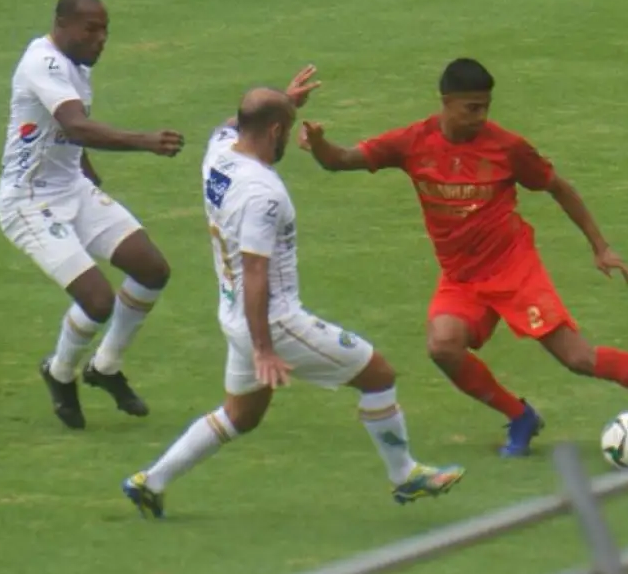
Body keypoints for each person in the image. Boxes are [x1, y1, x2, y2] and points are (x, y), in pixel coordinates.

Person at [299, 58, 628, 457]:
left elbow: (559, 187)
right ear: (446, 103)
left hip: (513, 268)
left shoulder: (506, 148)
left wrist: (600, 247)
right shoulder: (413, 143)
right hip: (462, 277)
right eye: (472, 108)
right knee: (443, 346)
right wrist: (319, 144)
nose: (481, 117)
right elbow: (340, 160)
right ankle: (520, 416)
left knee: (578, 359)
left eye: (485, 107)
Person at [122, 71, 465, 518]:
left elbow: (232, 122)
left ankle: (152, 481)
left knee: (241, 415)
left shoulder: (220, 153)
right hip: (275, 321)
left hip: (234, 314)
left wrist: (284, 100)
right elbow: (256, 271)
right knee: (378, 375)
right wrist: (265, 349)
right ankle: (404, 475)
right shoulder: (262, 193)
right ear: (276, 132)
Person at [0, 0, 185, 430]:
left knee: (151, 268)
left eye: (105, 31)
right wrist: (144, 141)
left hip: (72, 189)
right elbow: (76, 124)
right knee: (97, 299)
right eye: (91, 29)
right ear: (61, 24)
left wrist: (85, 167)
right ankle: (60, 372)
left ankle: (106, 367)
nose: (101, 39)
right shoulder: (42, 63)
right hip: (28, 201)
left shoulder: (75, 66)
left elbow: (61, 132)